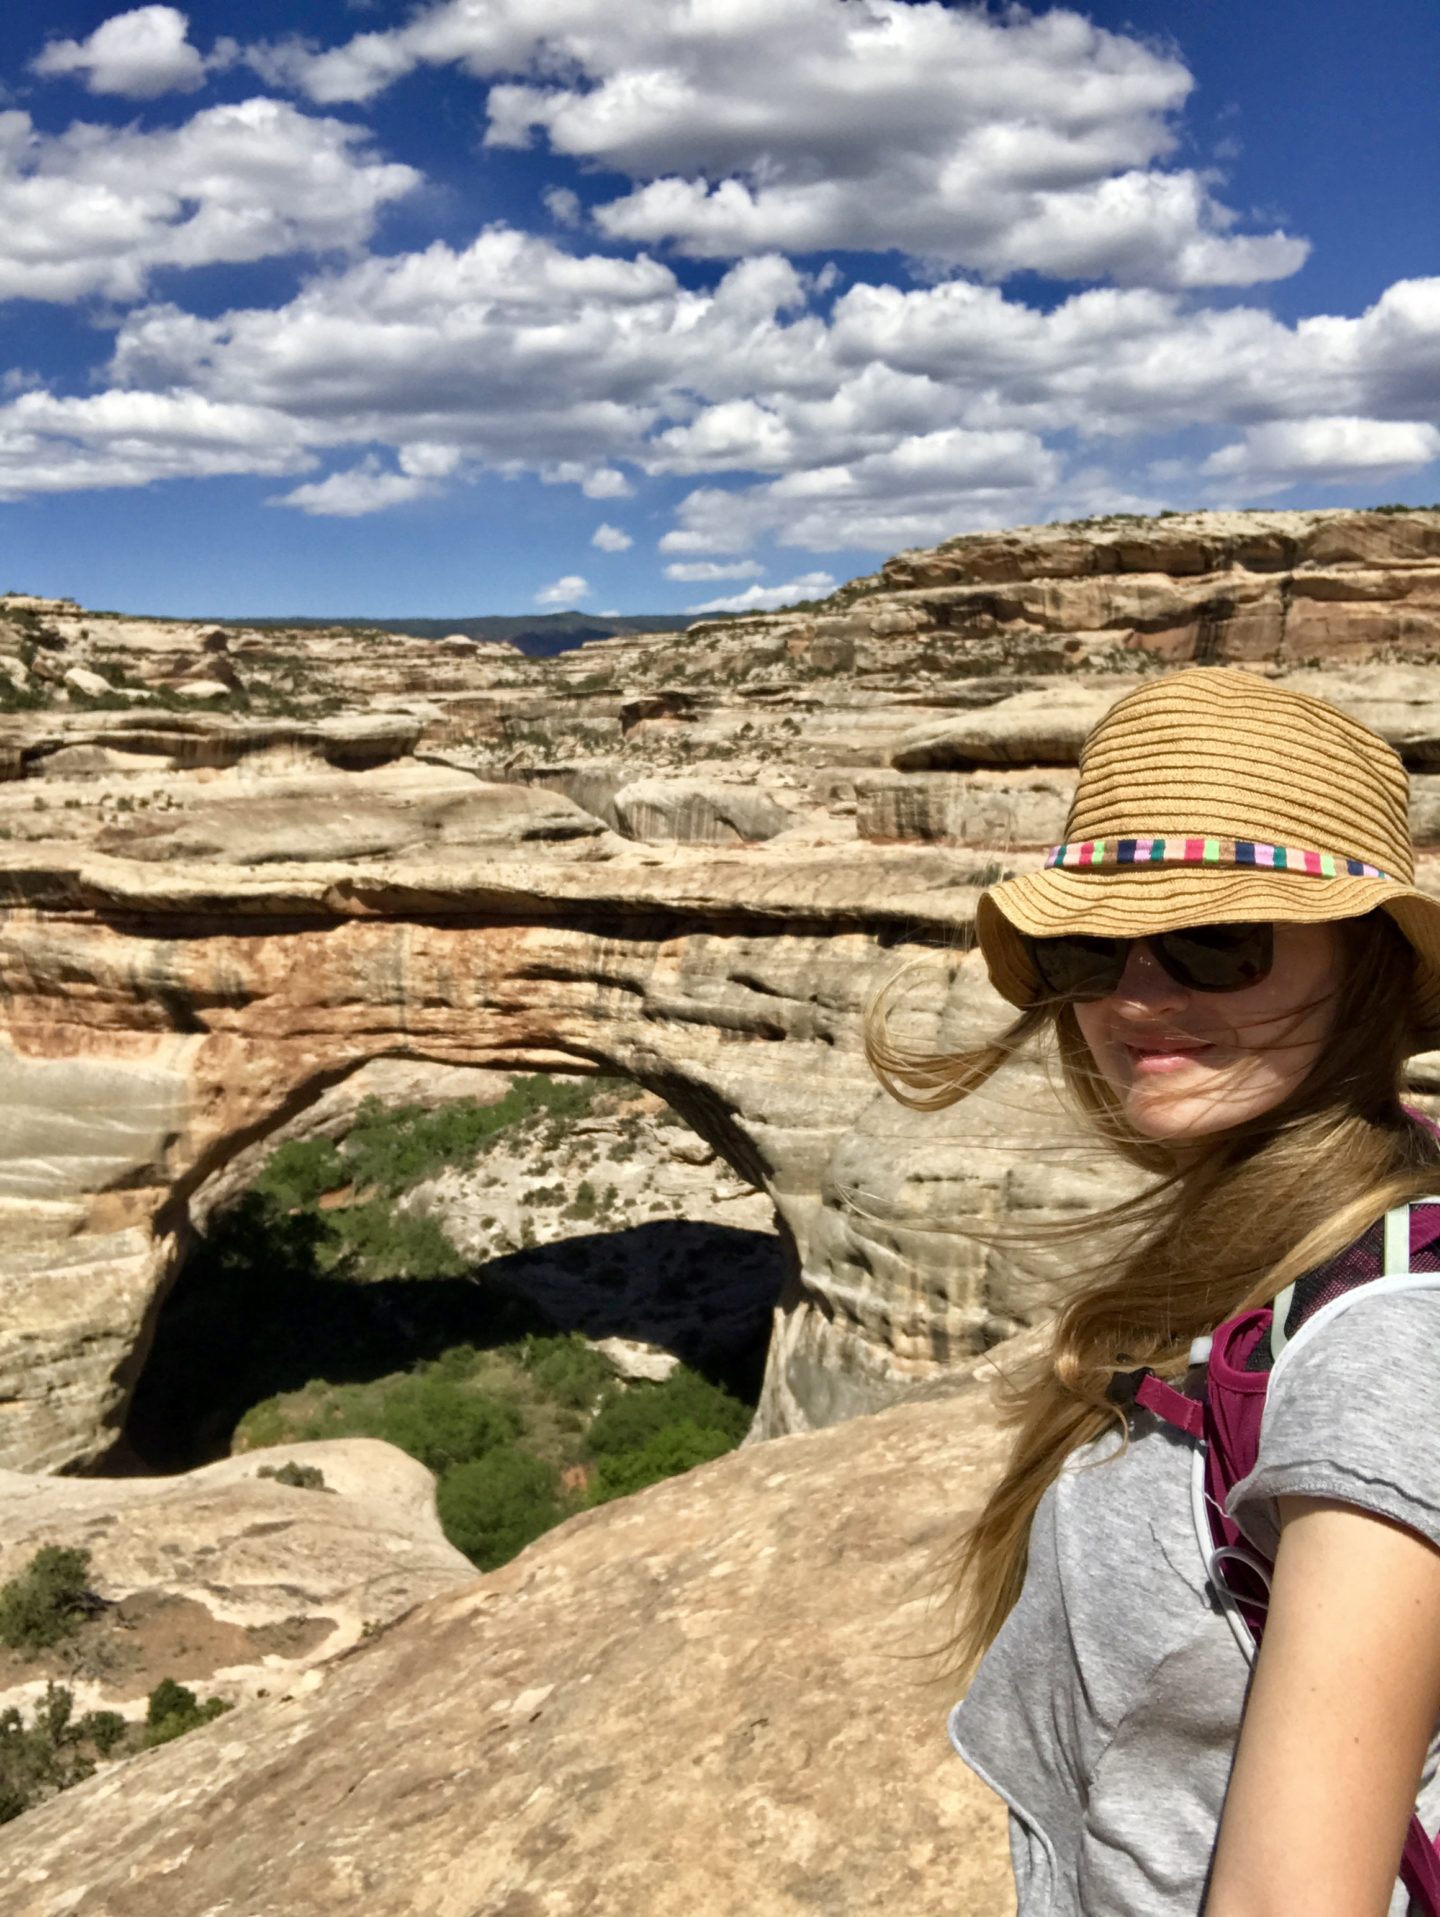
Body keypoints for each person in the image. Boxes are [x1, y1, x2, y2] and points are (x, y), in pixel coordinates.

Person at [867, 666, 1440, 1917]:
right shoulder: (1260, 1251)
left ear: (1372, 970)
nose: (1134, 1000)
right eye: (1089, 949)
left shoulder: (1386, 1347)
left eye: (1214, 943)